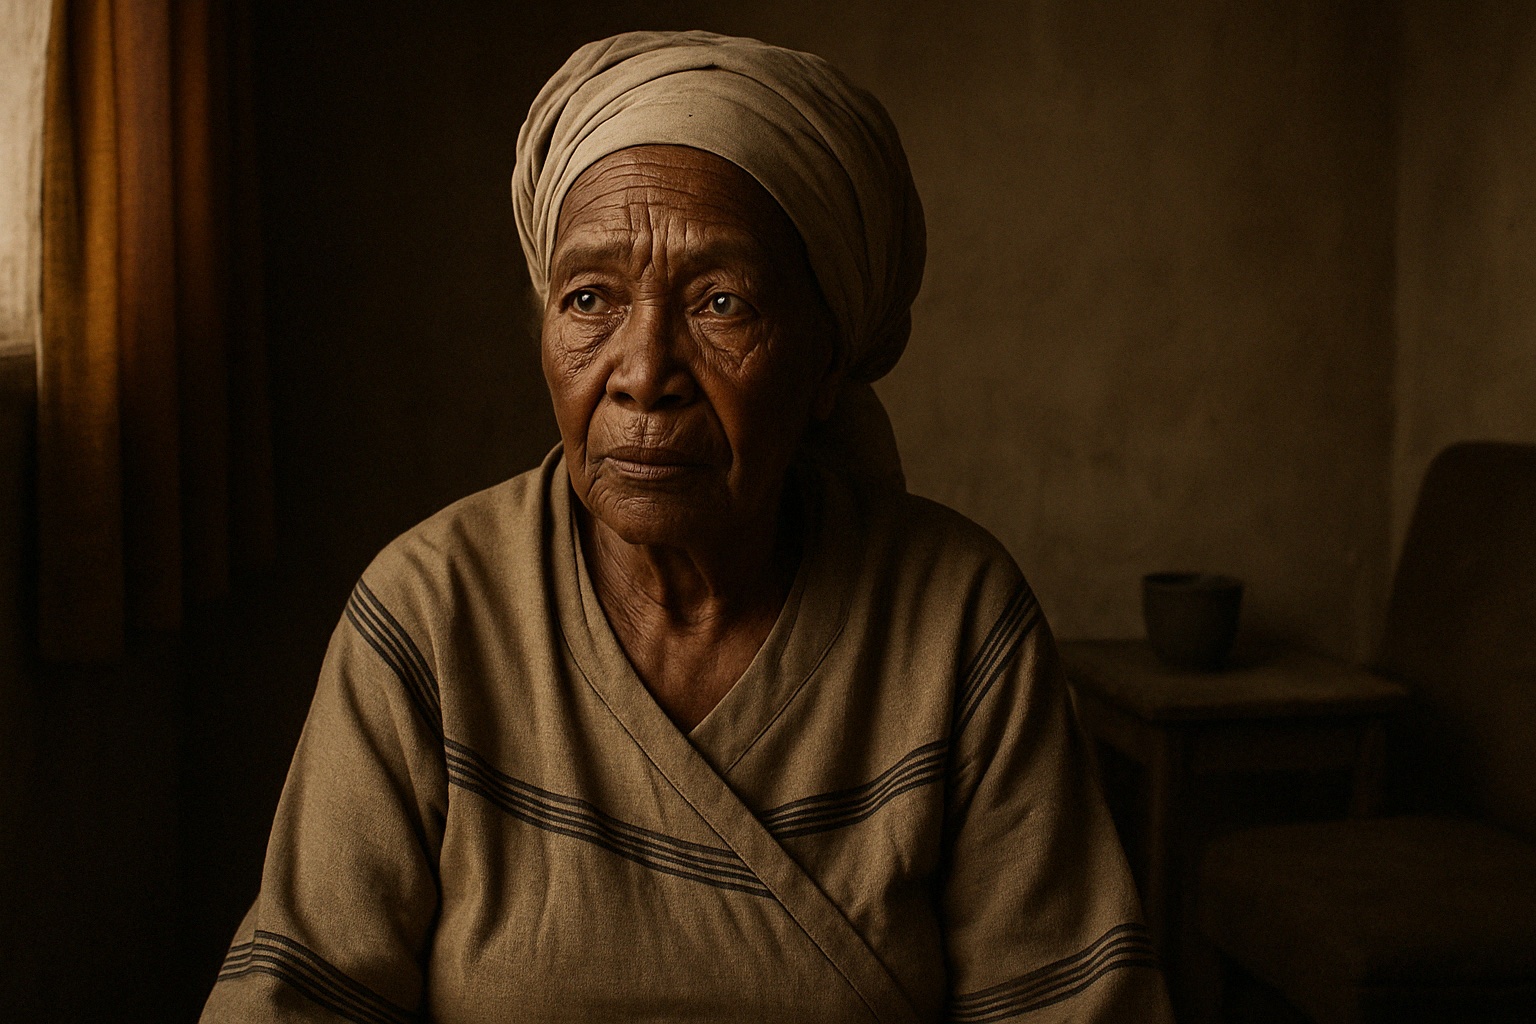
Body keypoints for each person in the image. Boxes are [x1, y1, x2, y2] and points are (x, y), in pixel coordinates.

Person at [201, 30, 1173, 1024]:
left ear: (826, 360)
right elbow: (296, 996)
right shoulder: (431, 611)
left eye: (721, 302)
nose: (642, 373)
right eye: (590, 298)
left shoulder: (955, 617)